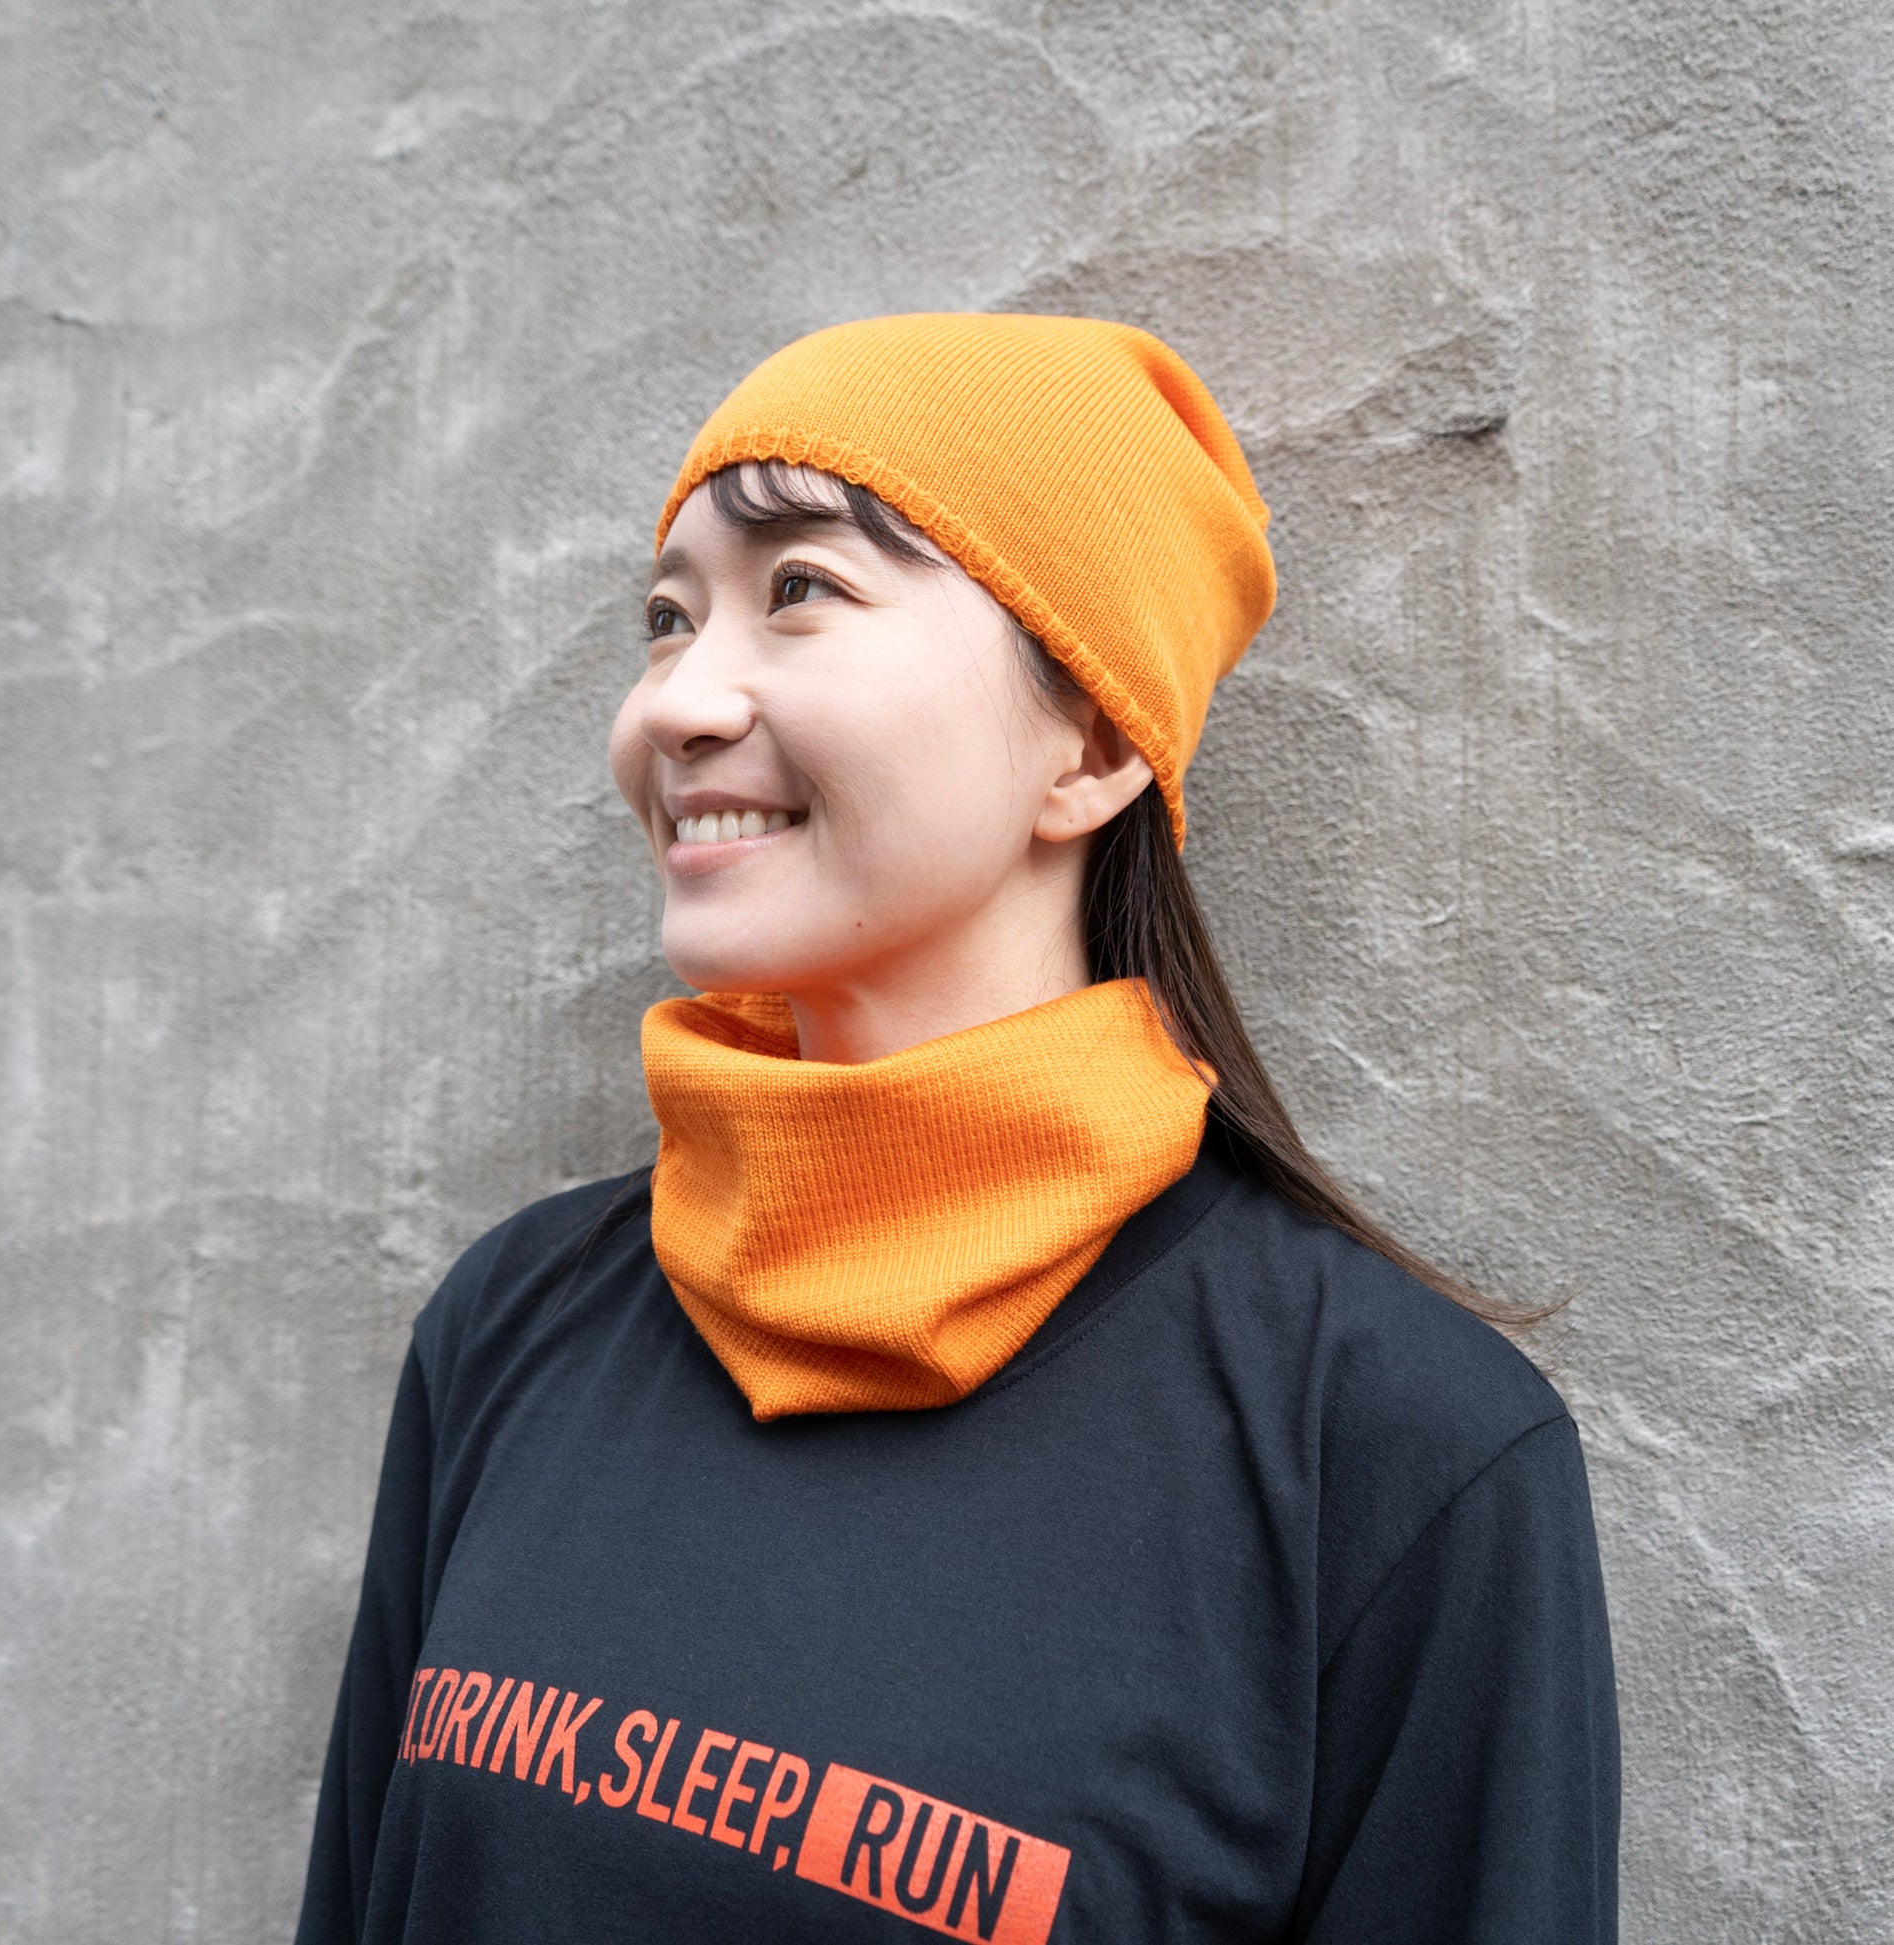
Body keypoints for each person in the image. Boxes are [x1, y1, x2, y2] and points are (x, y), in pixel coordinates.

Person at [294, 313, 1619, 1944]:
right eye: (665, 617)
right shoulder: (512, 1321)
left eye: (800, 589)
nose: (679, 702)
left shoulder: (1393, 1448)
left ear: (1091, 740)